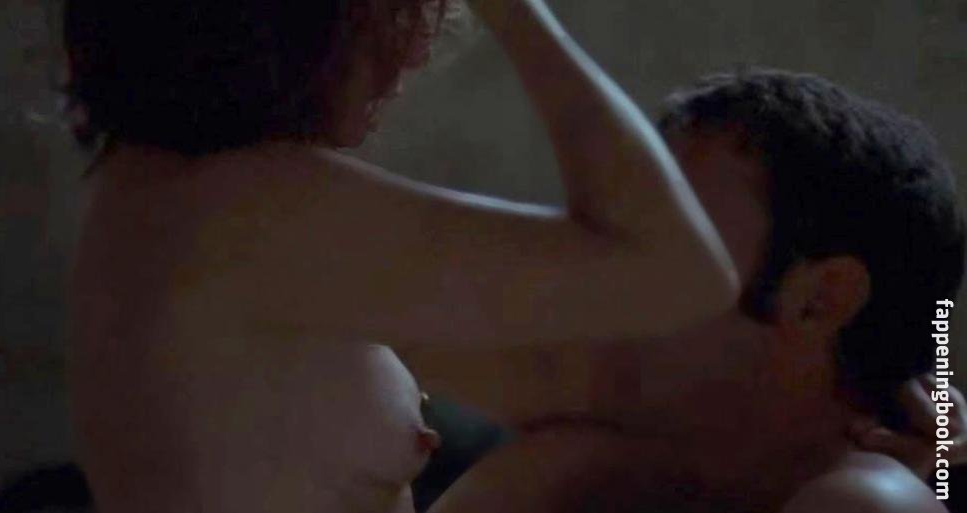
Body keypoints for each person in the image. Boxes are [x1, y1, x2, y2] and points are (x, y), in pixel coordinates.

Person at [63, 0, 740, 512]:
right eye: (393, 10)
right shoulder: (245, 211)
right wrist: (520, 14)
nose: (415, 50)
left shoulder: (151, 192)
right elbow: (680, 271)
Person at [413, 67, 966, 513]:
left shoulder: (865, 500)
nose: (613, 268)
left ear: (821, 298)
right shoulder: (613, 470)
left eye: (676, 234)